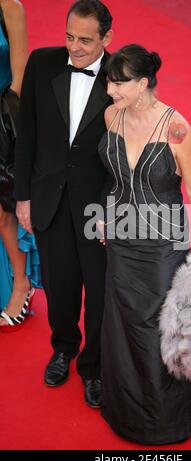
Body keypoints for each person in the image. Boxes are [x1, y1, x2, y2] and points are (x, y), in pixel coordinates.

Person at [97, 44, 191, 444]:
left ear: (143, 83)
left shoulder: (176, 128)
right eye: (110, 82)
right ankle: (127, 414)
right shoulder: (112, 116)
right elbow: (114, 178)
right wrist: (104, 215)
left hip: (164, 245)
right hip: (122, 240)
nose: (110, 91)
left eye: (118, 83)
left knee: (159, 329)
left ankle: (167, 422)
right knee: (122, 325)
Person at [14, 0, 113, 407]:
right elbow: (28, 133)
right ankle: (64, 349)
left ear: (107, 38)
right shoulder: (41, 63)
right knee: (59, 284)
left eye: (85, 41)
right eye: (69, 36)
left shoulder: (120, 75)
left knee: (100, 288)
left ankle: (94, 367)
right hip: (49, 196)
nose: (74, 47)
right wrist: (23, 195)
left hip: (99, 208)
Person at [0, 0, 40, 330]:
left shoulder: (10, 8)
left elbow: (19, 79)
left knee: (3, 211)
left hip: (1, 121)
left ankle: (20, 285)